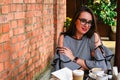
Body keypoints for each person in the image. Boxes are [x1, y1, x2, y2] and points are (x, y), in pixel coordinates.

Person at [51, 6, 113, 80]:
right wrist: (88, 66)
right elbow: (64, 67)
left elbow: (102, 67)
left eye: (89, 22)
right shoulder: (64, 38)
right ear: (75, 20)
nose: (86, 25)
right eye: (83, 20)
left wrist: (74, 58)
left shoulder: (93, 37)